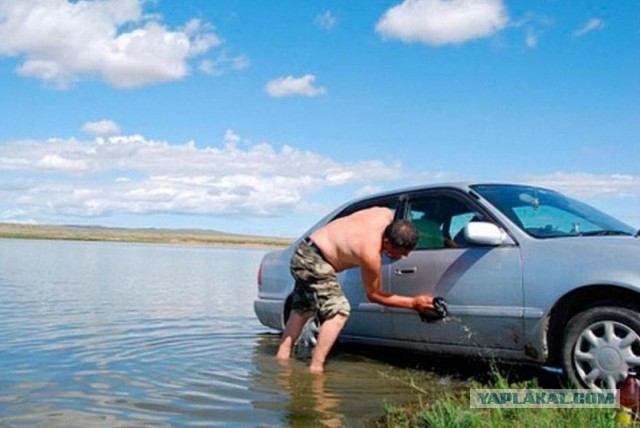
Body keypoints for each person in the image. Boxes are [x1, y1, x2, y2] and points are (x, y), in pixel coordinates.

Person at [276, 206, 436, 374]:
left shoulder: (384, 214)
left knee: (302, 310)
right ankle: (316, 369)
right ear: (387, 242)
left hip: (304, 251)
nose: (401, 258)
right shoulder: (370, 254)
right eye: (400, 253)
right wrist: (413, 303)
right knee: (339, 312)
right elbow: (374, 295)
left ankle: (282, 362)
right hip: (316, 260)